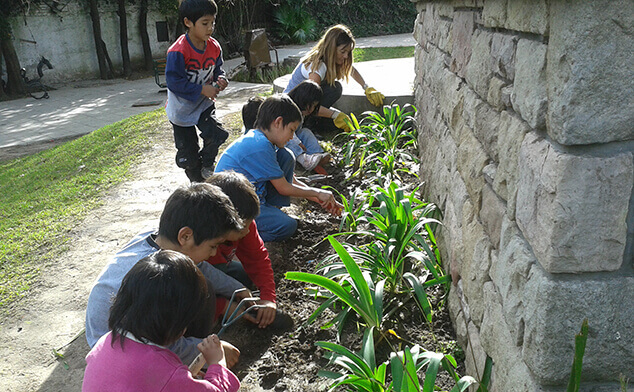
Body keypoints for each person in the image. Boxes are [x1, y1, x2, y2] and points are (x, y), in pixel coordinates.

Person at [85, 183, 249, 366]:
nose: (213, 253)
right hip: (121, 354)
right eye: (213, 246)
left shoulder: (161, 239)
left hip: (136, 329)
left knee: (203, 282)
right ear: (185, 236)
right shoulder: (156, 280)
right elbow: (158, 343)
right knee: (202, 289)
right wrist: (208, 350)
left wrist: (237, 289)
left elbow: (200, 266)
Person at [82, 250, 240, 392]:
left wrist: (184, 380)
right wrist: (217, 362)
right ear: (178, 323)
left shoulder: (106, 341)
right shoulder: (164, 369)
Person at [215, 94, 343, 242]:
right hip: (234, 209)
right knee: (287, 226)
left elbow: (291, 182)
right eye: (291, 130)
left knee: (286, 155)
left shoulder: (263, 141)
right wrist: (318, 192)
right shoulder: (259, 145)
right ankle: (237, 239)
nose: (291, 137)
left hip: (250, 199)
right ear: (278, 122)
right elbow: (284, 188)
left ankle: (271, 211)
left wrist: (320, 199)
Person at [165, 0, 229, 183]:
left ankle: (208, 165)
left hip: (204, 105)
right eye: (205, 23)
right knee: (188, 157)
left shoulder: (214, 46)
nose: (210, 28)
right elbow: (174, 82)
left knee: (216, 134)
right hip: (181, 110)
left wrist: (221, 79)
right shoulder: (177, 51)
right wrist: (202, 88)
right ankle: (197, 183)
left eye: (213, 22)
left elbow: (218, 69)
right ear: (188, 23)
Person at [205, 171, 278, 328]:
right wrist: (222, 306)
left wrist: (268, 297)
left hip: (219, 268)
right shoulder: (198, 243)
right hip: (197, 283)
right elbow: (189, 286)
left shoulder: (244, 225)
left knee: (243, 275)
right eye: (243, 227)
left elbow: (258, 257)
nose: (247, 231)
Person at [283, 24, 385, 133]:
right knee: (333, 89)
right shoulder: (317, 67)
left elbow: (351, 69)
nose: (346, 56)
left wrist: (366, 87)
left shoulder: (331, 60)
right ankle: (308, 126)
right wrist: (336, 114)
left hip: (305, 106)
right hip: (290, 108)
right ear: (331, 49)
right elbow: (309, 102)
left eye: (348, 52)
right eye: (343, 51)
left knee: (335, 88)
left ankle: (316, 122)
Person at [286, 80, 330, 174]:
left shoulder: (302, 113)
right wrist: (298, 142)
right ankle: (304, 159)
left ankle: (317, 155)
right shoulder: (287, 107)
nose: (311, 109)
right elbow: (286, 131)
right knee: (289, 139)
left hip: (294, 135)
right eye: (310, 105)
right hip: (285, 137)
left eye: (314, 106)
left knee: (305, 132)